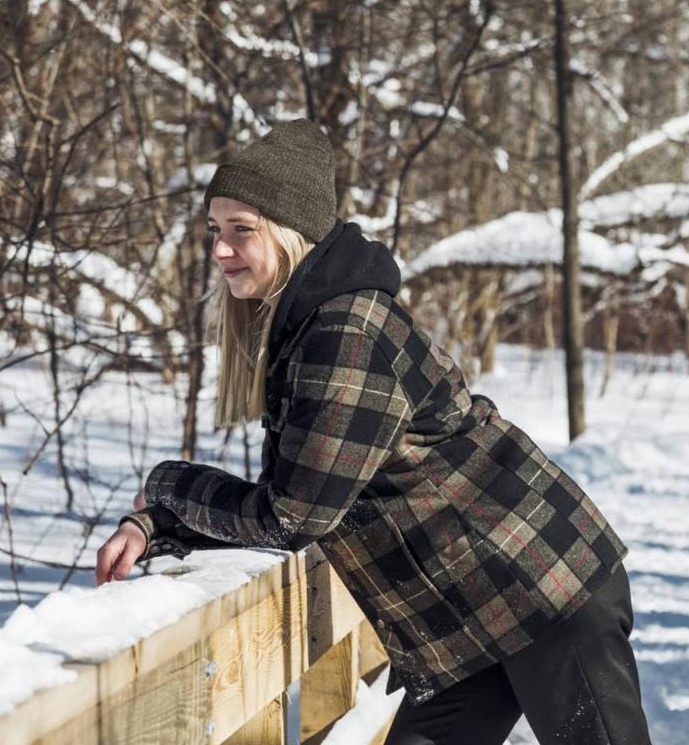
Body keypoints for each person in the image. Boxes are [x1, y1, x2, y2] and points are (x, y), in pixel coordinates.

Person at [95, 119, 652, 745]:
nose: (220, 251)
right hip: (465, 620)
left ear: (290, 232)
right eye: (214, 231)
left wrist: (169, 483)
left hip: (543, 589)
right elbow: (300, 492)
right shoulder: (314, 325)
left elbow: (293, 516)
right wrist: (160, 521)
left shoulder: (344, 334)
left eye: (241, 231)